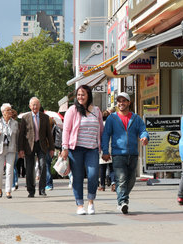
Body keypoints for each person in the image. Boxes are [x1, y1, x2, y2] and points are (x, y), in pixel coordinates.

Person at [101, 92, 149, 215]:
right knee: (121, 179)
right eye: (119, 101)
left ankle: (122, 198)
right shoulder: (112, 118)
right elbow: (106, 135)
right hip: (118, 154)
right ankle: (122, 202)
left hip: (133, 153)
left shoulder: (136, 118)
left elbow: (143, 130)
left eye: (124, 101)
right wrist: (105, 151)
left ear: (129, 102)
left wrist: (145, 137)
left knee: (132, 179)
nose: (121, 103)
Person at [61, 85, 103, 215]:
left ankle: (91, 201)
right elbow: (66, 130)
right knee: (78, 177)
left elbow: (101, 130)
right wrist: (65, 147)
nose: (80, 97)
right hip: (76, 149)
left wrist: (103, 147)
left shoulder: (96, 111)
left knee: (93, 175)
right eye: (78, 94)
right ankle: (80, 204)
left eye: (83, 94)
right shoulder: (72, 110)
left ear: (88, 95)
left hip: (92, 149)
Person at [18, 97, 54, 198]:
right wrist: (20, 149)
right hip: (29, 146)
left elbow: (49, 135)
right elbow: (21, 135)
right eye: (33, 105)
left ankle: (42, 189)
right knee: (29, 169)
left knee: (43, 165)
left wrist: (51, 148)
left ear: (39, 105)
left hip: (41, 145)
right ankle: (31, 190)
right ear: (30, 106)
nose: (35, 107)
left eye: (36, 104)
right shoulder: (25, 118)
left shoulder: (45, 117)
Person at [99, 110, 115, 192]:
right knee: (112, 168)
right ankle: (113, 183)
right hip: (111, 147)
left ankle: (102, 185)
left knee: (102, 169)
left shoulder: (101, 125)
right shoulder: (112, 124)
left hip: (103, 148)